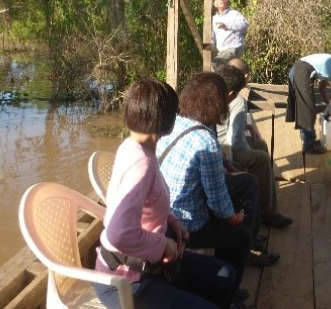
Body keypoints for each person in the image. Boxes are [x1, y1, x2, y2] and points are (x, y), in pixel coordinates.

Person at [94, 79, 237, 309]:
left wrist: (171, 220)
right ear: (168, 120)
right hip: (125, 282)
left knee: (225, 275)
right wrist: (163, 245)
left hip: (149, 266)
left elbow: (149, 203)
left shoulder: (133, 146)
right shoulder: (141, 164)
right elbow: (118, 234)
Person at [157, 73, 253, 298]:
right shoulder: (205, 140)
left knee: (245, 183)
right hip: (187, 226)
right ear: (218, 103)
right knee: (242, 234)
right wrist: (234, 219)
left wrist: (229, 168)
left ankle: (217, 271)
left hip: (165, 214)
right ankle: (228, 291)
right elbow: (217, 199)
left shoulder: (172, 122)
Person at [217, 65, 293, 232]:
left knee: (260, 144)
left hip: (220, 144)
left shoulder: (212, 93)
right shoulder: (238, 101)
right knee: (260, 158)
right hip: (224, 150)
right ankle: (268, 212)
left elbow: (229, 124)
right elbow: (235, 141)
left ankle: (264, 197)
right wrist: (247, 153)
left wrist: (247, 126)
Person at [285, 54, 331, 154]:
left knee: (305, 108)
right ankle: (308, 146)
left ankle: (309, 140)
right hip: (302, 71)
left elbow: (322, 88)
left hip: (297, 69)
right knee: (307, 110)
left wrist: (329, 104)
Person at [212, 0, 249, 70]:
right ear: (215, 4)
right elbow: (211, 37)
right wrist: (207, 47)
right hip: (222, 51)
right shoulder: (214, 19)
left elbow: (245, 25)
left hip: (234, 47)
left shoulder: (234, 13)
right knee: (226, 70)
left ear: (228, 3)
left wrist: (227, 25)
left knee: (215, 64)